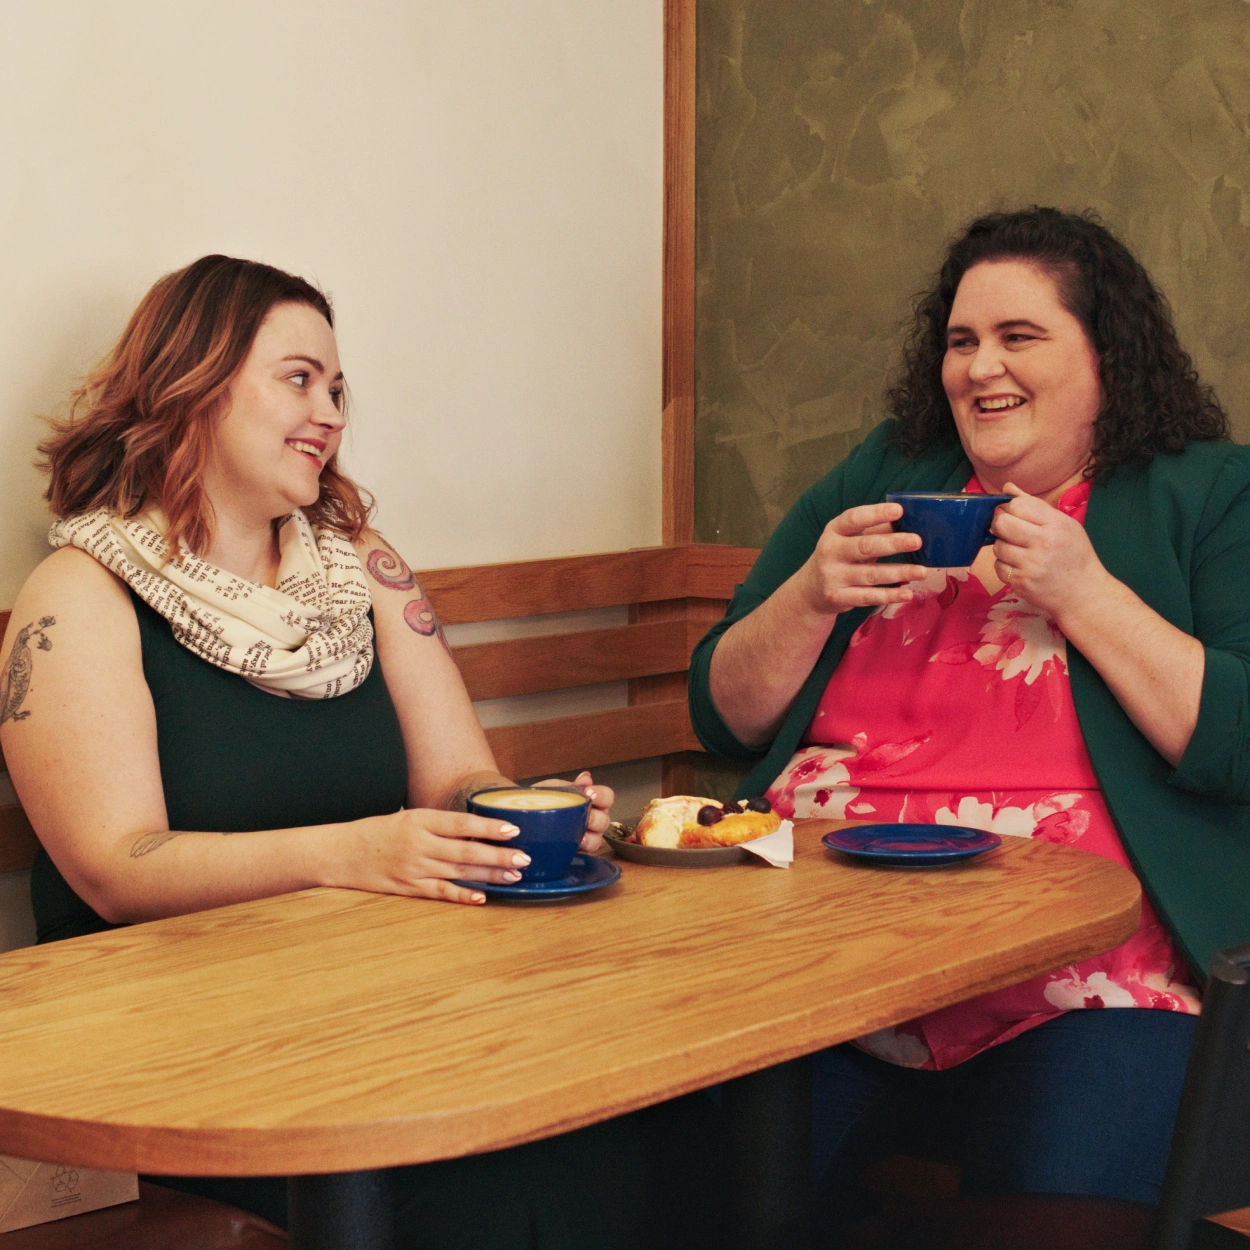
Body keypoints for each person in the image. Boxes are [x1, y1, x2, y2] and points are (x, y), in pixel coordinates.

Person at [0, 255, 724, 1249]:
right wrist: (354, 850)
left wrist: (522, 809)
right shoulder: (81, 594)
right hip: (166, 1052)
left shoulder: (362, 569)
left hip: (366, 1009)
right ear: (196, 383)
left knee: (612, 1139)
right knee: (491, 1196)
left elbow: (455, 777)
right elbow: (115, 869)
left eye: (337, 386)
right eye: (298, 377)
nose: (330, 409)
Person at [688, 207, 1250, 1238]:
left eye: (1016, 336)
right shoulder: (883, 472)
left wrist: (1085, 594)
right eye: (959, 340)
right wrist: (812, 592)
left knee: (1050, 1211)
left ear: (1107, 356)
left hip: (1084, 981)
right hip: (821, 966)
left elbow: (1236, 741)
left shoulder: (1204, 492)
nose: (978, 367)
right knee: (698, 1192)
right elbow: (721, 710)